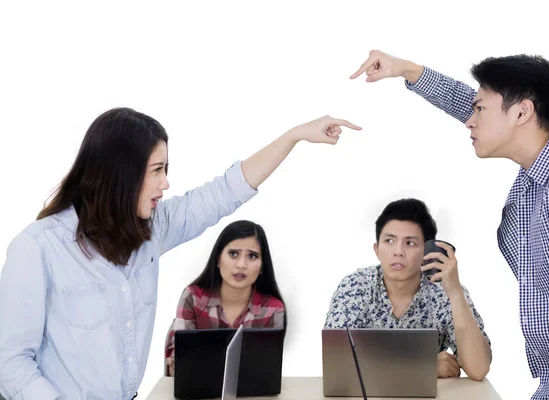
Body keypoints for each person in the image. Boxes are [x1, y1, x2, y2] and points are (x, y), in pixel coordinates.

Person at [0, 107, 360, 400]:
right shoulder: (38, 249)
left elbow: (225, 191)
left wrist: (293, 135)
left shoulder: (151, 230)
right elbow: (10, 363)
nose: (165, 183)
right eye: (157, 170)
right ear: (119, 174)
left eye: (165, 170)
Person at [350, 50, 549, 399]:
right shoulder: (548, 159)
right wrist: (409, 70)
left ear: (522, 112)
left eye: (480, 109)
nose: (470, 119)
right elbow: (471, 104)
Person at [324, 198, 491, 381]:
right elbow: (338, 364)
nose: (398, 251)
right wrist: (424, 367)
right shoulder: (355, 286)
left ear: (426, 252)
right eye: (389, 240)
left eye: (410, 243)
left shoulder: (444, 291)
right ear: (377, 249)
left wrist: (455, 292)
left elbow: (478, 368)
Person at [164, 219, 285, 376]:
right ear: (218, 259)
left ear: (262, 267)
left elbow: (267, 370)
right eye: (233, 254)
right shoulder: (193, 298)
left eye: (252, 256)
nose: (242, 265)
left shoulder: (273, 309)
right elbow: (179, 365)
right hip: (197, 388)